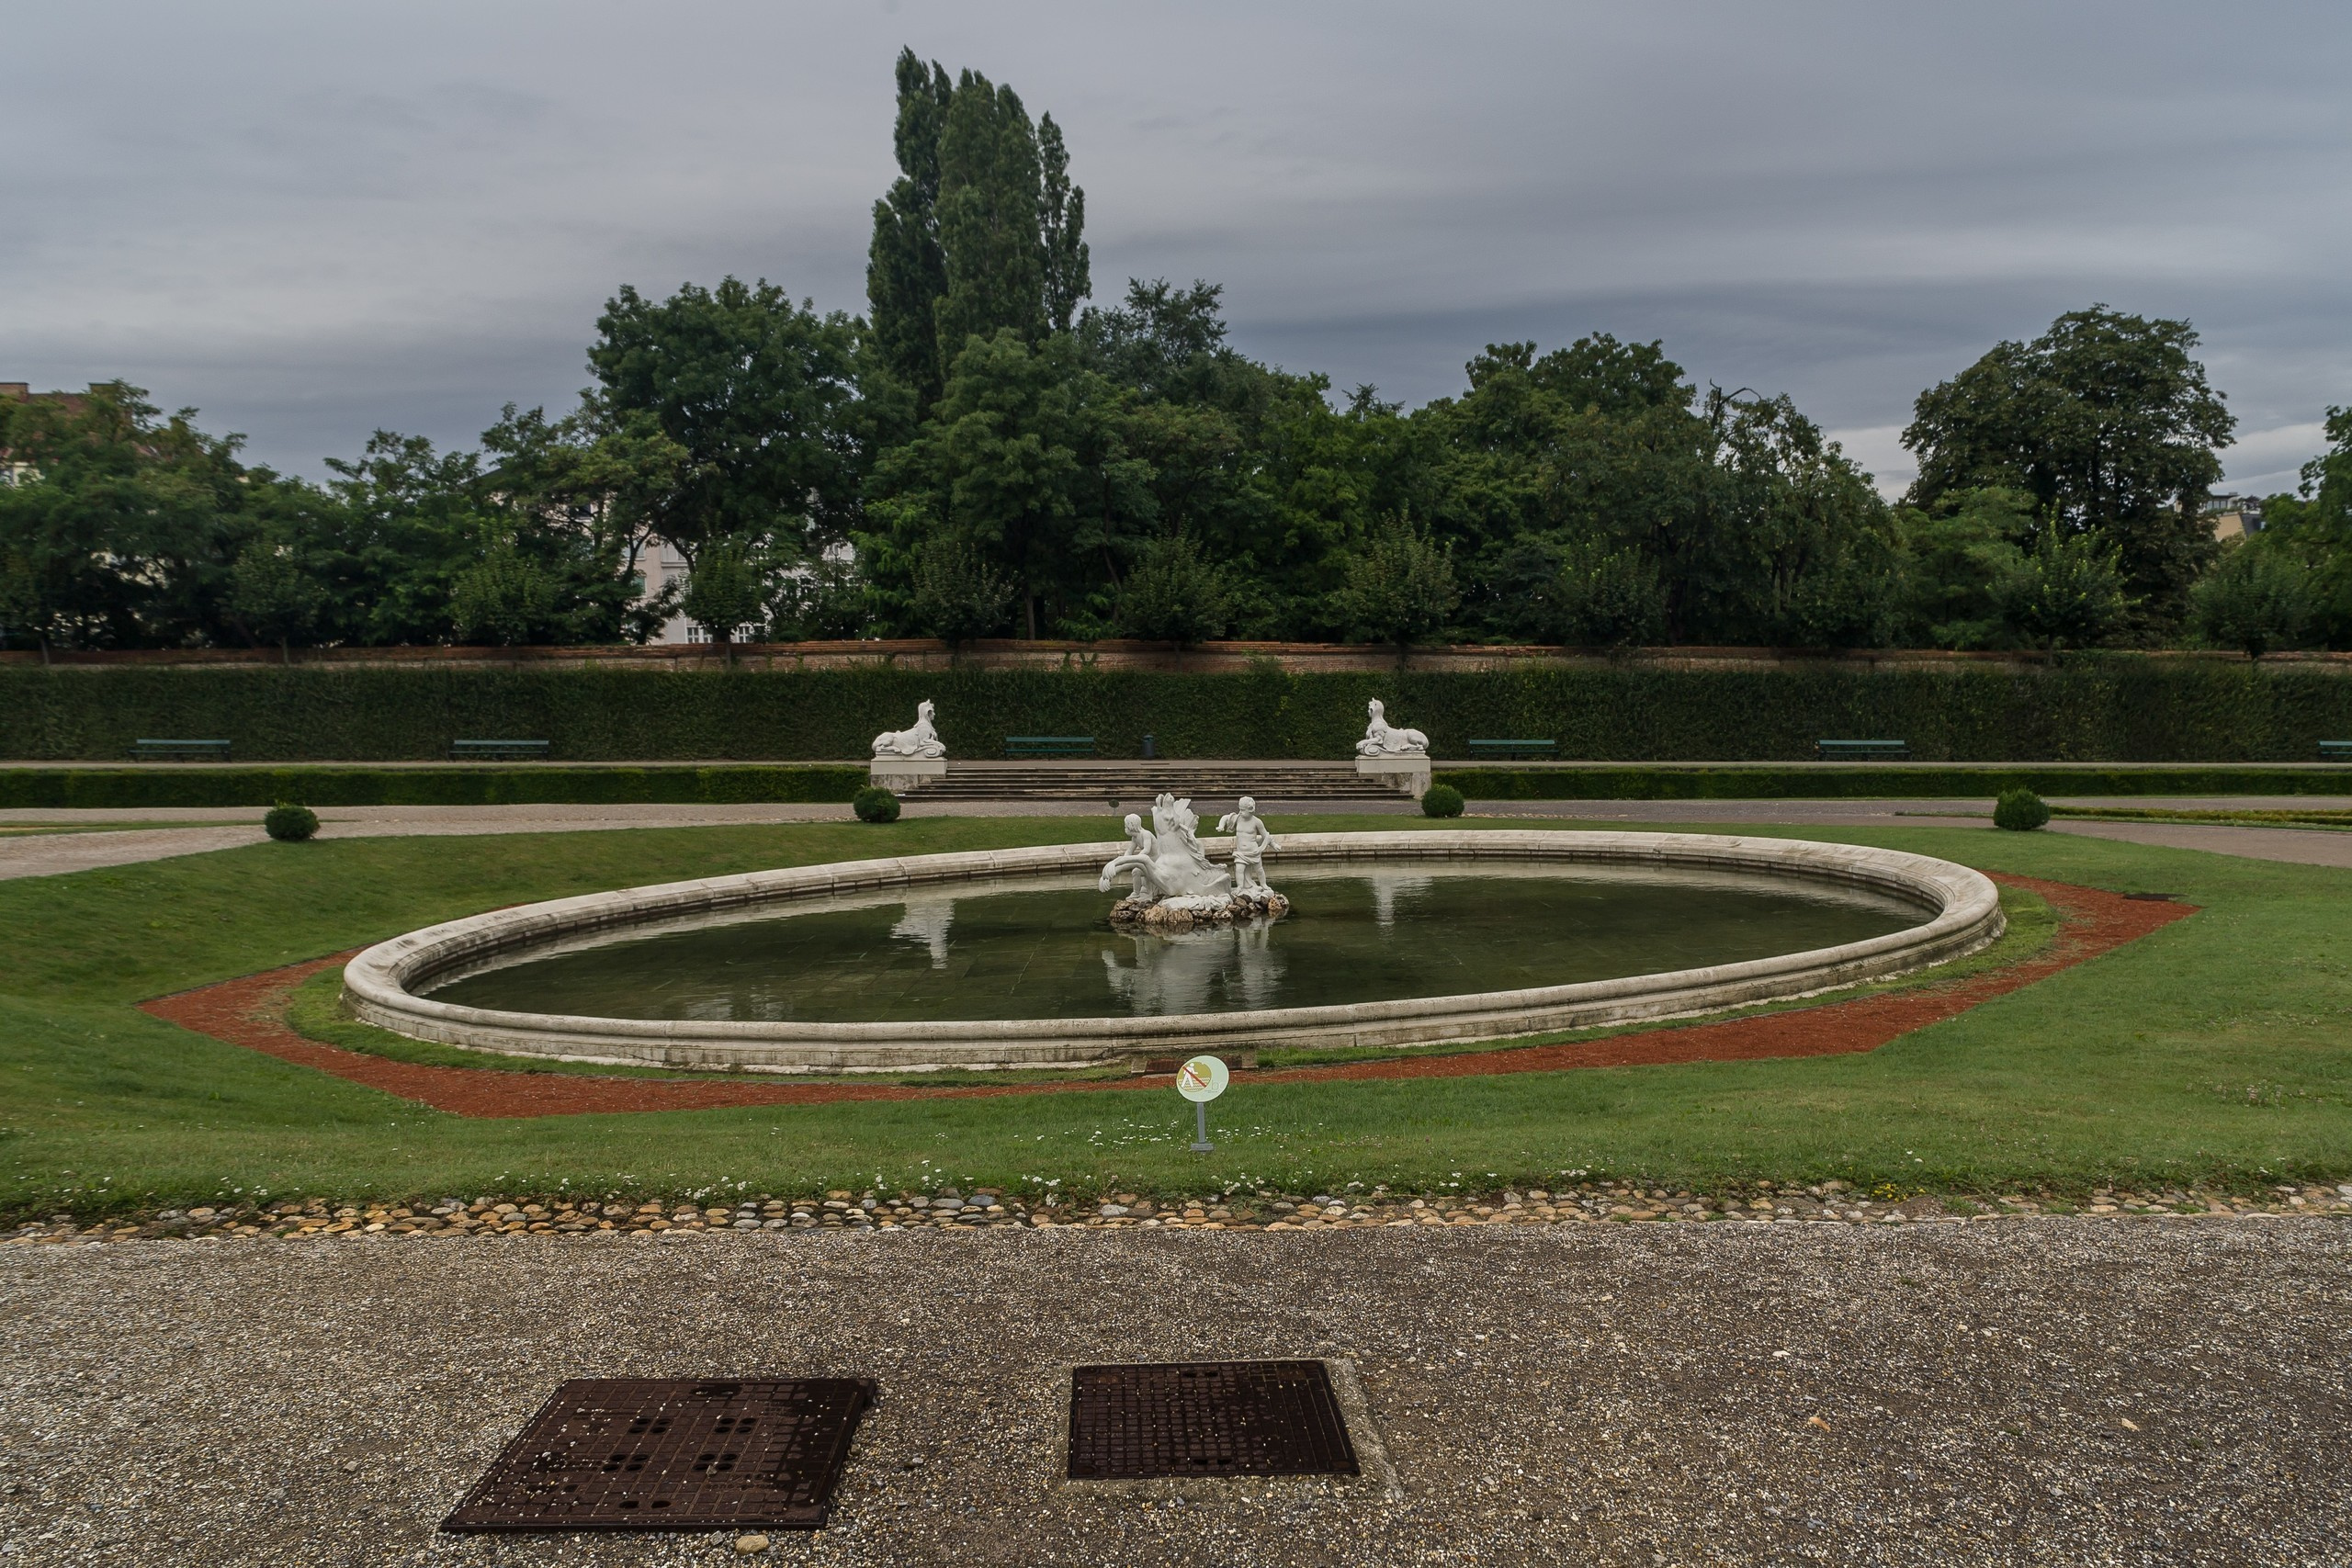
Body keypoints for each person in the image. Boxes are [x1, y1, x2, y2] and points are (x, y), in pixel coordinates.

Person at [1216, 795, 1279, 893]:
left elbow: (1266, 836)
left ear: (1251, 810)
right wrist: (1221, 826)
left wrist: (1274, 845)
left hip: (1254, 851)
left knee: (1259, 870)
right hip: (1241, 852)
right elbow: (1225, 818)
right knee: (1239, 869)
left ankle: (1263, 884)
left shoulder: (1257, 822)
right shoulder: (1238, 818)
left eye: (1243, 810)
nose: (1240, 812)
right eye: (1240, 809)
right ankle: (1240, 887)